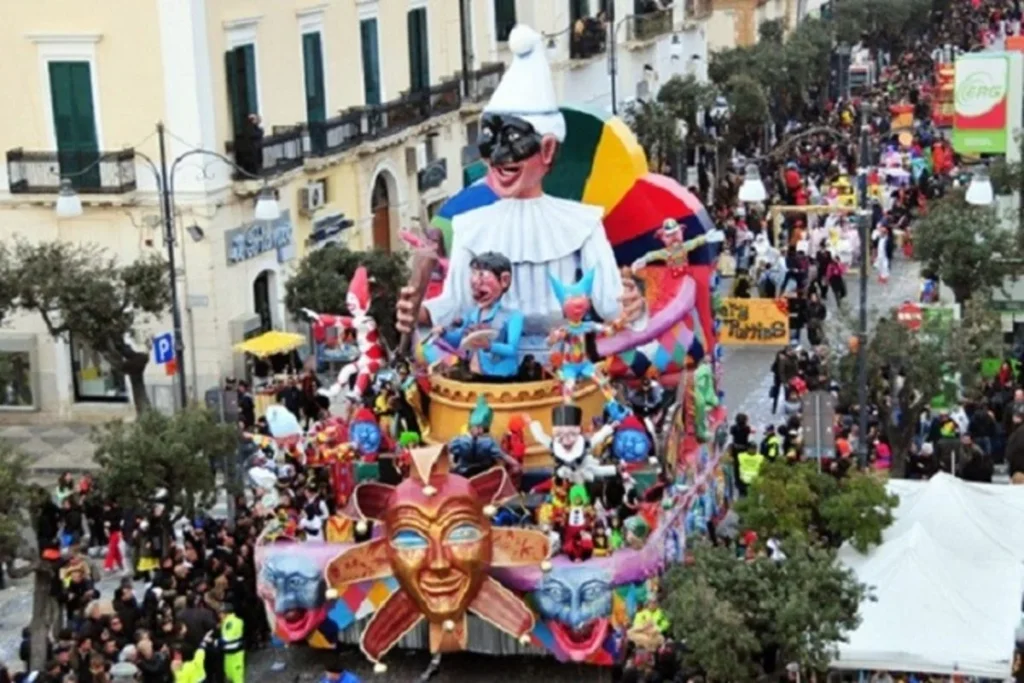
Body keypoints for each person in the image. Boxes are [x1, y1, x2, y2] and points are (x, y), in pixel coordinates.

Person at [397, 25, 641, 359]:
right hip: (488, 363)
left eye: (513, 140)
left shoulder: (582, 223)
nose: (498, 156)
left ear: (549, 149)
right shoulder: (471, 225)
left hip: (562, 365)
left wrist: (632, 306)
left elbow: (612, 305)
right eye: (489, 140)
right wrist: (417, 313)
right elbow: (455, 303)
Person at [433, 252, 524, 379]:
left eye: (482, 275)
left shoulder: (513, 316)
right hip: (473, 374)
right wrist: (444, 333)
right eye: (474, 274)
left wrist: (489, 346)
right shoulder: (471, 315)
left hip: (499, 378)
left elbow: (512, 349)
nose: (475, 281)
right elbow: (460, 340)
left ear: (504, 280)